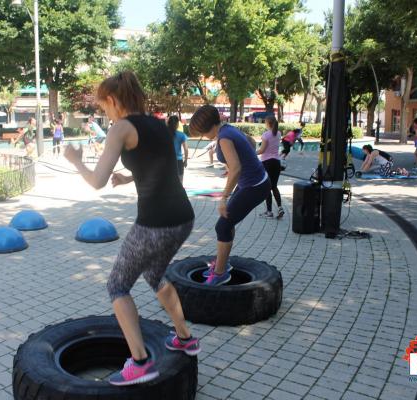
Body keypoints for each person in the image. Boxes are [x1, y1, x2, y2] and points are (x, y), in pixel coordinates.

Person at [63, 71, 200, 386]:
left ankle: (140, 362)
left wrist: (75, 161)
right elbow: (160, 167)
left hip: (155, 223)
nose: (104, 112)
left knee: (117, 286)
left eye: (103, 105)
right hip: (183, 218)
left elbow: (96, 181)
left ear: (113, 100)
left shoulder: (120, 128)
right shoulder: (158, 125)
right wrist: (127, 177)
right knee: (155, 276)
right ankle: (185, 338)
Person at [189, 105, 270, 286]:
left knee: (222, 226)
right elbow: (248, 142)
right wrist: (242, 160)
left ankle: (220, 273)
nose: (202, 137)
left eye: (200, 133)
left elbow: (236, 168)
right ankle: (222, 264)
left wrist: (224, 197)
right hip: (252, 182)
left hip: (255, 186)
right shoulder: (228, 129)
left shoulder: (224, 137)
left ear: (205, 128)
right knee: (227, 222)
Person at [257, 116, 284, 219]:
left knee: (267, 187)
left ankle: (269, 212)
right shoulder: (278, 133)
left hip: (267, 163)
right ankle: (280, 207)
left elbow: (262, 150)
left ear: (268, 123)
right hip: (276, 162)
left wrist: (252, 153)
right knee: (274, 186)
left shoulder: (266, 135)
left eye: (265, 122)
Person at [167, 115, 189, 184]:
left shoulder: (164, 134)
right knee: (180, 182)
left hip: (167, 161)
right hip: (178, 160)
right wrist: (185, 160)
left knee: (168, 182)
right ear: (177, 124)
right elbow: (186, 149)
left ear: (168, 123)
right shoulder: (181, 135)